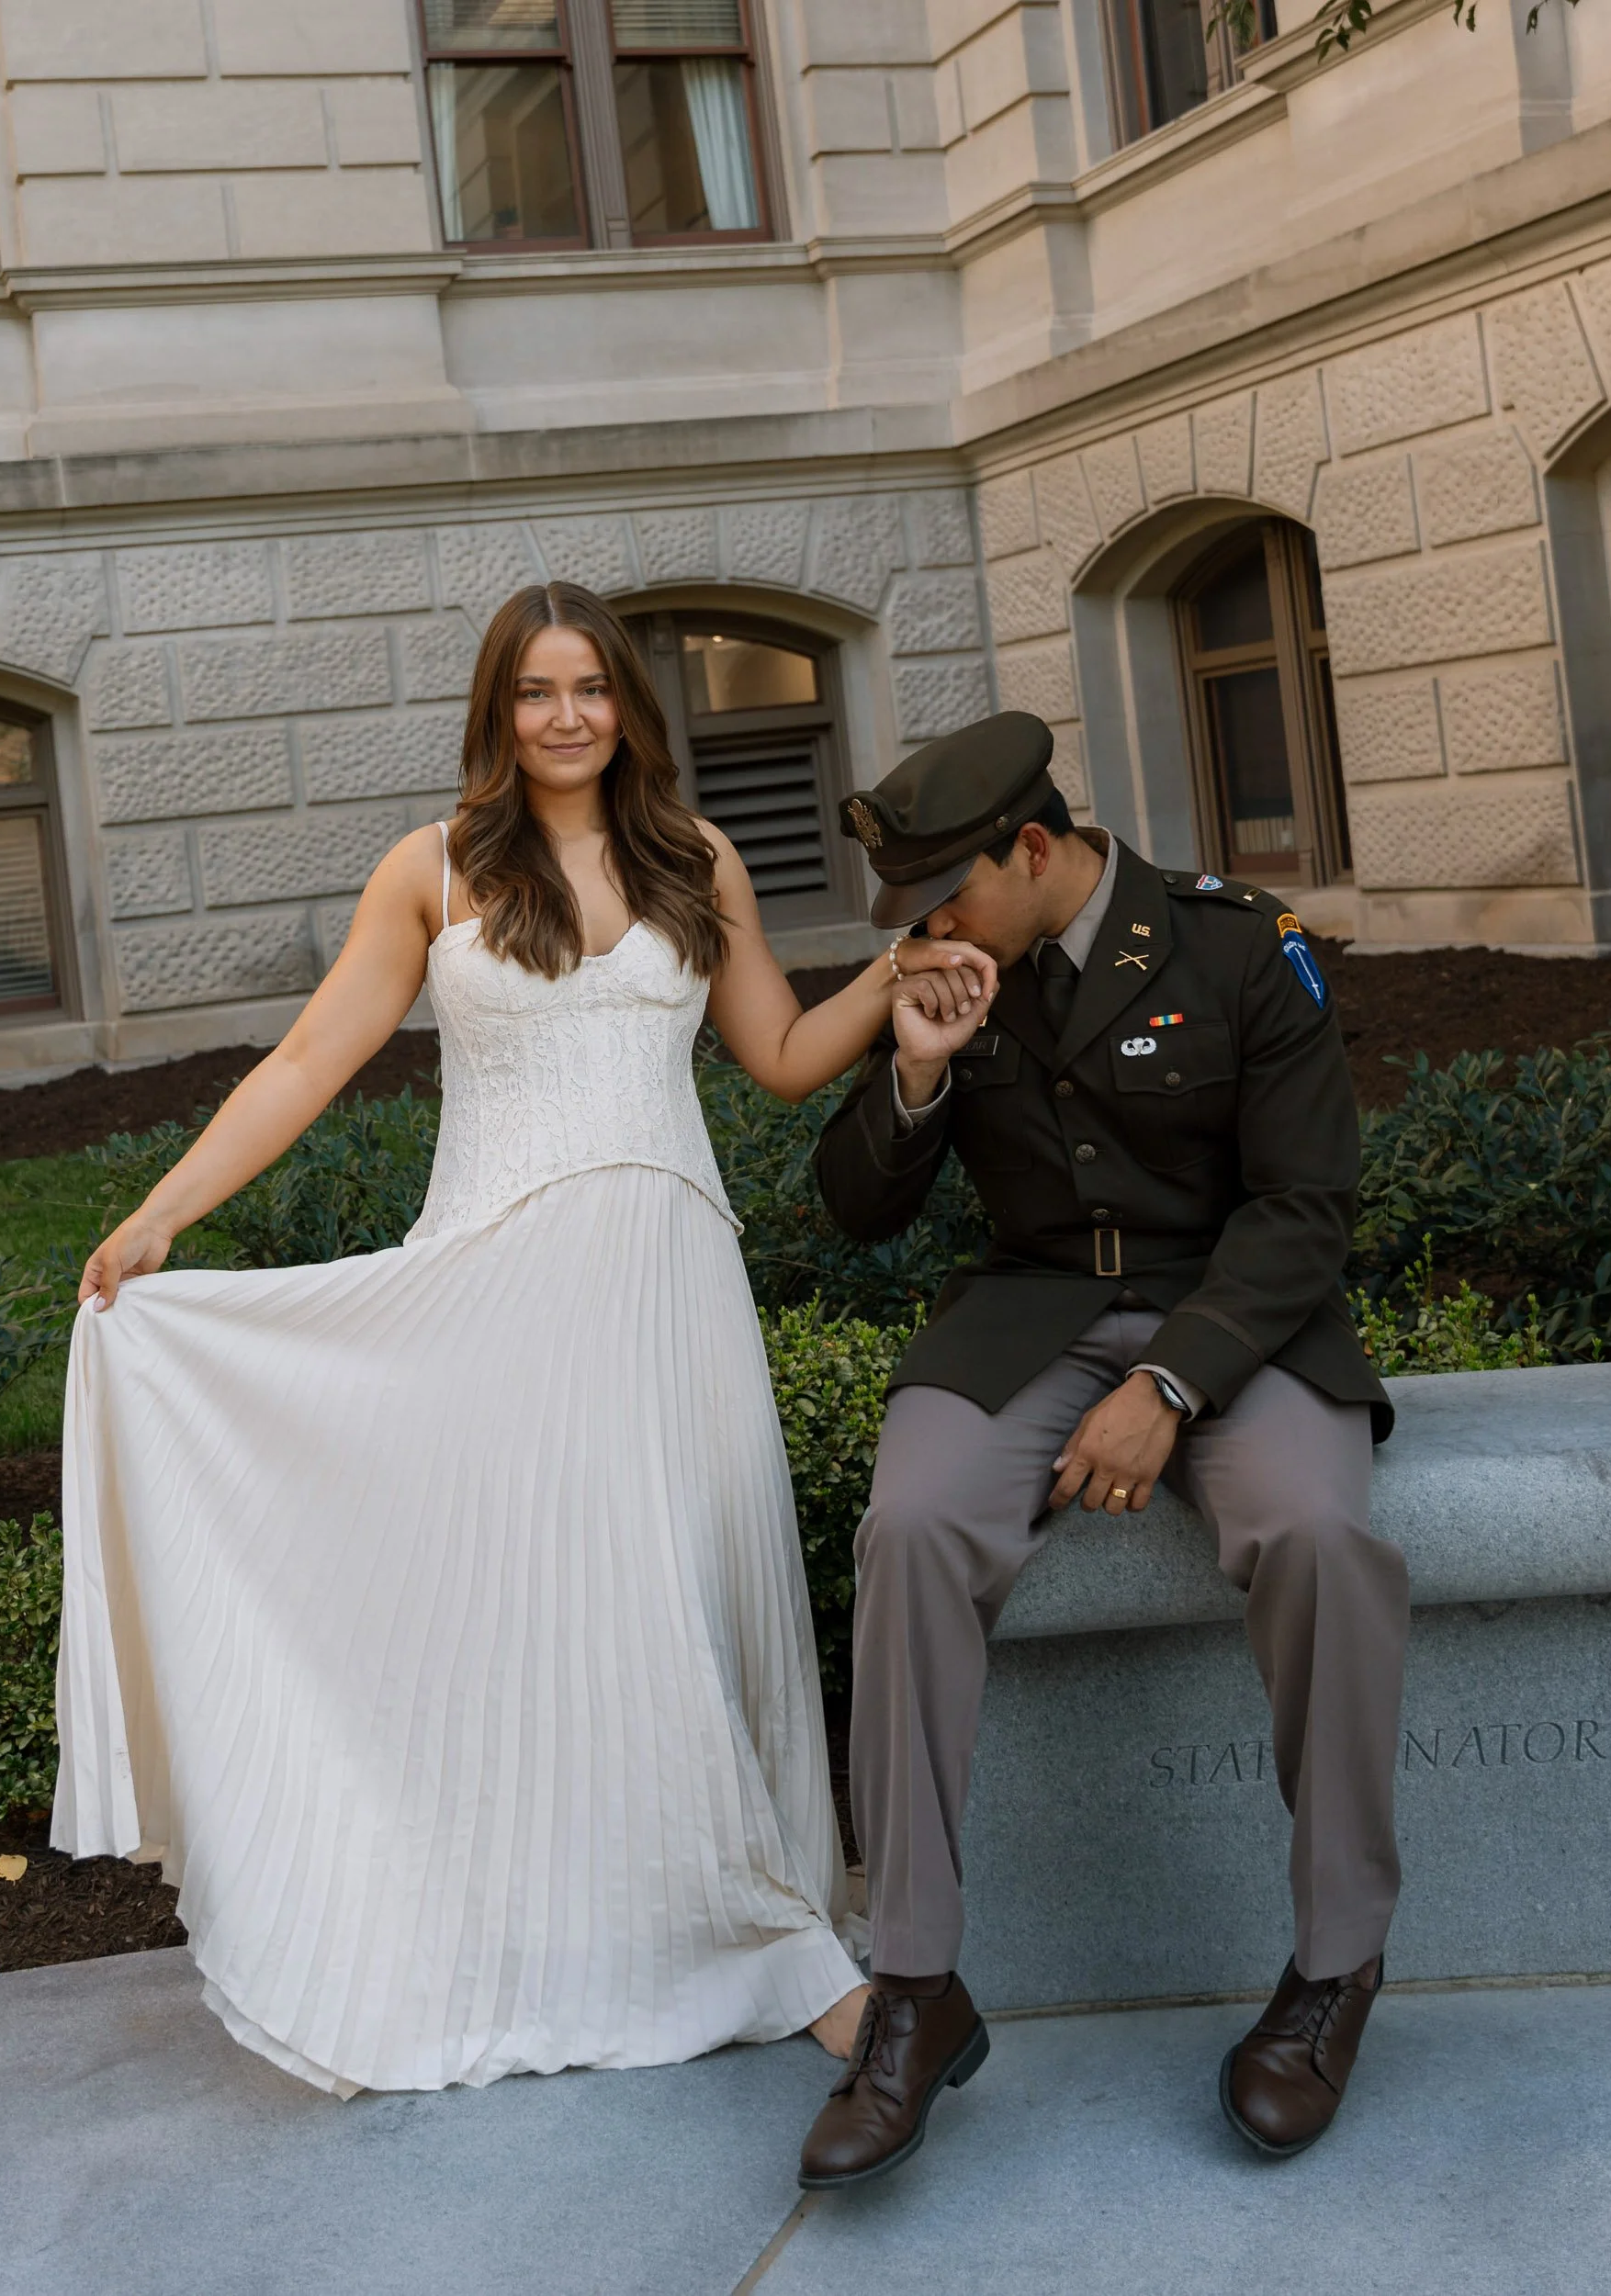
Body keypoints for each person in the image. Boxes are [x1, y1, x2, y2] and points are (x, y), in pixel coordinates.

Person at [52, 581, 1000, 2098]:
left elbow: (774, 1057)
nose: (567, 717)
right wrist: (167, 1210)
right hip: (501, 1287)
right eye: (536, 692)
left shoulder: (696, 858)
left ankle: (764, 1938)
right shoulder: (432, 870)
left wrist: (901, 985)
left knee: (680, 1602)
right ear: (497, 709)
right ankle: (677, 1953)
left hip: (672, 1285)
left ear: (631, 704)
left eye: (593, 690)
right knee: (558, 1611)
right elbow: (311, 1056)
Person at [797, 711, 1409, 2188]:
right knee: (913, 1530)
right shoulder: (955, 977)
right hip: (1031, 1317)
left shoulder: (1239, 945)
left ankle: (1335, 1968)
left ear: (1031, 848)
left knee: (1319, 1537)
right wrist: (920, 1067)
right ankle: (917, 1990)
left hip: (1233, 1322)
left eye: (947, 895)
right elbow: (854, 1209)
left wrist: (1177, 1387)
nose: (927, 931)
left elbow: (1304, 1210)